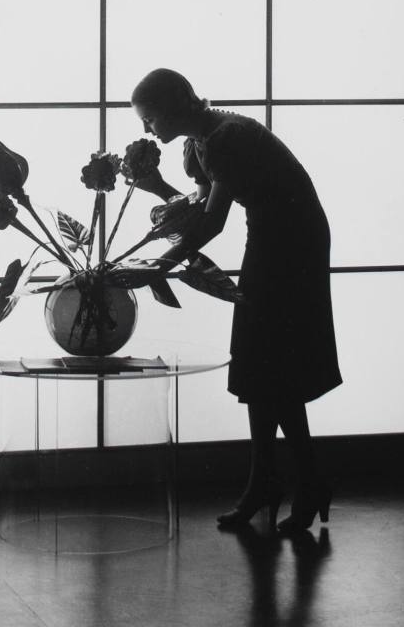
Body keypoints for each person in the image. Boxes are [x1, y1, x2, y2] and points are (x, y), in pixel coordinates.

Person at [130, 68, 340, 534]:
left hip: (293, 243)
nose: (148, 130)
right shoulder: (202, 141)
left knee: (273, 367)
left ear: (172, 106)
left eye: (150, 118)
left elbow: (210, 224)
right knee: (258, 364)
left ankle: (303, 482)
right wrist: (156, 188)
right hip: (269, 237)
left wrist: (157, 268)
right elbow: (199, 208)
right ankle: (270, 481)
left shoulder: (227, 138)